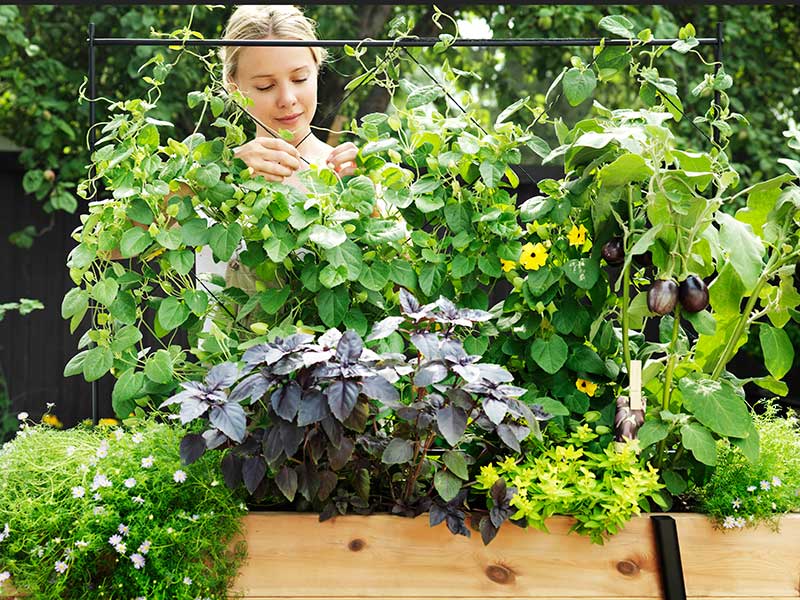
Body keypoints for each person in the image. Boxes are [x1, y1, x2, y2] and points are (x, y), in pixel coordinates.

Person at [197, 4, 361, 323]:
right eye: (265, 86)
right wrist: (223, 174)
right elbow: (111, 249)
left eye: (300, 78)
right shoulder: (212, 175)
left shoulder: (349, 174)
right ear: (234, 86)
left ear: (317, 70)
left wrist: (370, 204)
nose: (287, 98)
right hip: (227, 370)